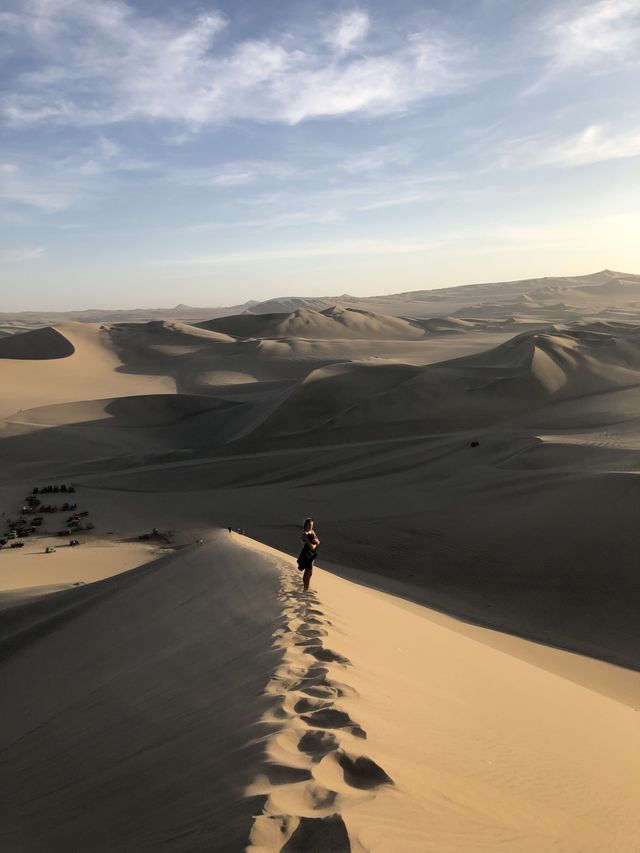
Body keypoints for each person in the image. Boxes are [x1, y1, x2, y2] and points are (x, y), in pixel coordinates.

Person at [297, 518, 320, 591]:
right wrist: (316, 543)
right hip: (306, 554)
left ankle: (305, 588)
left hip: (311, 554)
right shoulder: (304, 534)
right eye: (309, 525)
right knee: (309, 572)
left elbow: (318, 541)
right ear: (306, 525)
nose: (311, 526)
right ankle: (306, 589)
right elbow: (312, 547)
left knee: (308, 572)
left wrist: (316, 542)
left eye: (312, 525)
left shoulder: (312, 531)